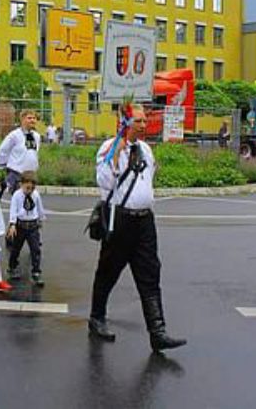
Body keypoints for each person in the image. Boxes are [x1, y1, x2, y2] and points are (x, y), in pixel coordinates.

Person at [88, 104, 186, 351]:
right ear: (125, 123)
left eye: (145, 121)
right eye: (139, 121)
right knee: (108, 271)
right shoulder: (110, 148)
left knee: (150, 274)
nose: (144, 125)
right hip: (120, 220)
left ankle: (158, 332)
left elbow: (149, 178)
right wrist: (116, 155)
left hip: (144, 222)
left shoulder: (145, 149)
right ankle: (96, 318)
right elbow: (104, 182)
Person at [6, 171, 46, 286]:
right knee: (16, 248)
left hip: (32, 225)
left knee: (35, 249)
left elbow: (39, 207)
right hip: (20, 225)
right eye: (27, 188)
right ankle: (12, 267)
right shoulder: (17, 195)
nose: (29, 190)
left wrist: (41, 218)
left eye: (32, 188)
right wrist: (12, 224)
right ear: (21, 184)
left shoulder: (36, 195)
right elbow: (13, 210)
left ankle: (36, 272)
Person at [0, 110, 41, 200]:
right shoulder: (15, 135)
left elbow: (33, 152)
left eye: (34, 118)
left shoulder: (37, 136)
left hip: (30, 174)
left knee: (30, 201)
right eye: (29, 118)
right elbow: (2, 150)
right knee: (20, 199)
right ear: (22, 119)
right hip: (17, 173)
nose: (32, 120)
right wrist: (1, 167)